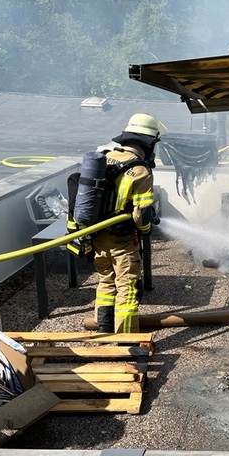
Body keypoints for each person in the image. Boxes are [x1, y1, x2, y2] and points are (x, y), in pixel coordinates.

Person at [93, 113, 165, 333]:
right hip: (122, 240)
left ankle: (104, 329)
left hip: (97, 237)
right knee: (127, 288)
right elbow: (141, 215)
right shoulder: (141, 171)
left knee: (106, 281)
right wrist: (146, 228)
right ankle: (125, 342)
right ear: (149, 143)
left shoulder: (104, 158)